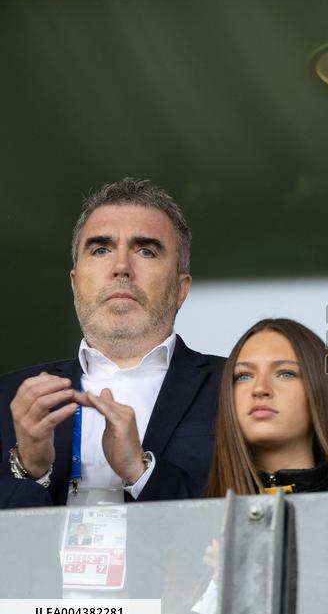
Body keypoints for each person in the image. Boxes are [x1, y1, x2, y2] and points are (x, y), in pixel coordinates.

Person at [0, 177, 224, 505]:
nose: (121, 267)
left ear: (181, 289)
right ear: (75, 284)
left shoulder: (234, 388)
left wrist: (141, 471)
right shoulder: (7, 398)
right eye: (101, 249)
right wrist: (30, 469)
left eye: (146, 250)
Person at [204, 318, 328, 495]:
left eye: (286, 373)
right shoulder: (194, 516)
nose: (260, 389)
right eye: (243, 376)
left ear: (321, 390)